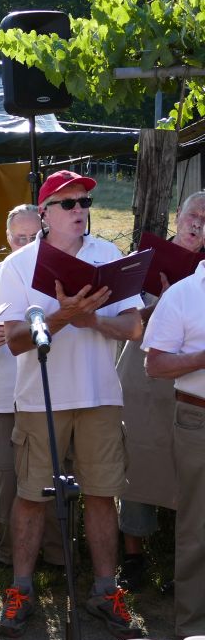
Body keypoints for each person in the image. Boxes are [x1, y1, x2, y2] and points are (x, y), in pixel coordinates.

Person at [0, 170, 143, 639]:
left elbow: (134, 327)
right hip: (41, 398)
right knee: (32, 496)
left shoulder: (109, 256)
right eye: (69, 203)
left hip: (100, 395)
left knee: (102, 493)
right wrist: (63, 316)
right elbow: (16, 340)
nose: (80, 210)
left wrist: (91, 319)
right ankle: (21, 590)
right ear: (45, 214)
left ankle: (105, 590)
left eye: (84, 202)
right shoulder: (19, 265)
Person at [117, 192, 205, 591]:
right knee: (136, 461)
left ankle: (182, 566)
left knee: (187, 472)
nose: (197, 223)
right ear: (178, 216)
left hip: (190, 386)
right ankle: (133, 557)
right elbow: (123, 323)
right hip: (141, 377)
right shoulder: (145, 262)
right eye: (192, 214)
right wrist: (163, 302)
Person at [0, 205, 63, 568]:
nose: (26, 244)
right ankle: (8, 557)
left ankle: (58, 557)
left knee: (55, 475)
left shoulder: (58, 274)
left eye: (33, 237)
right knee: (8, 479)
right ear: (7, 239)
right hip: (5, 395)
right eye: (19, 238)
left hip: (51, 393)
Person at [143, 221, 205, 638]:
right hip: (197, 418)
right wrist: (202, 359)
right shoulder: (183, 294)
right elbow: (156, 365)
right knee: (197, 528)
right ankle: (194, 632)